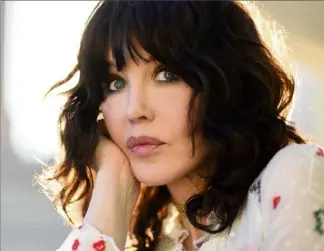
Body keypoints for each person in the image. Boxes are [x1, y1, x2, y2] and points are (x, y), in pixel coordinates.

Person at [35, 1, 324, 251]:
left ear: (225, 81)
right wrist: (113, 183)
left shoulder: (294, 174)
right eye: (116, 83)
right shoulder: (151, 241)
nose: (135, 110)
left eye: (167, 74)